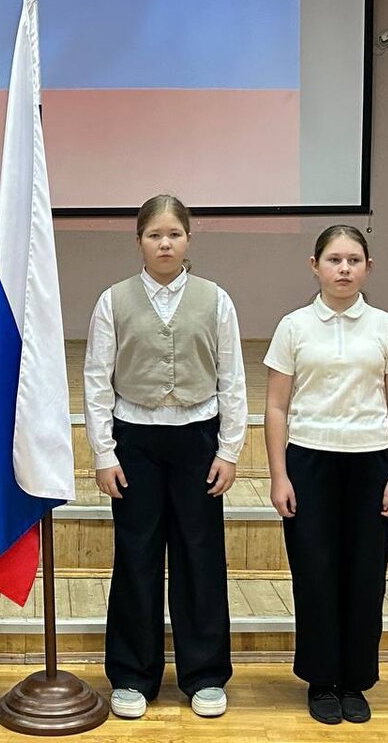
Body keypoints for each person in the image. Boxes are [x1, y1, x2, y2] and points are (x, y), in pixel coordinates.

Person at [83, 193, 247, 720]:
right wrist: (104, 452)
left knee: (201, 557)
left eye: (174, 234)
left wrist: (229, 449)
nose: (165, 243)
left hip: (198, 440)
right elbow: (96, 379)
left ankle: (205, 674)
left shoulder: (215, 299)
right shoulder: (113, 301)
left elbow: (232, 378)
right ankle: (133, 674)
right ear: (139, 241)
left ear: (188, 239)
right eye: (155, 235)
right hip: (136, 441)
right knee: (137, 556)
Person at [263, 225, 388, 725]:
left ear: (368, 267)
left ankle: (355, 681)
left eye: (354, 260)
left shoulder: (387, 327)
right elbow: (276, 407)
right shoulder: (293, 327)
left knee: (365, 576)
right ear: (315, 266)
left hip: (370, 462)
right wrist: (279, 476)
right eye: (334, 260)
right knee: (315, 573)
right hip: (309, 462)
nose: (344, 269)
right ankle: (321, 680)